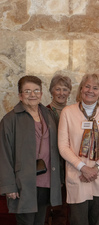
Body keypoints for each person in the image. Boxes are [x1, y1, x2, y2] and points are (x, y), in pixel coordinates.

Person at [58, 73, 99, 225]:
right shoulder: (68, 112)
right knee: (78, 220)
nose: (90, 90)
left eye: (95, 88)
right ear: (81, 89)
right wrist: (83, 168)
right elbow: (63, 147)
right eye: (87, 86)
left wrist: (96, 168)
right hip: (77, 175)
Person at [0, 75, 62, 224]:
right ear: (20, 95)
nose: (32, 95)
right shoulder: (10, 120)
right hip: (23, 184)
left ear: (41, 94)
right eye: (27, 91)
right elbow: (4, 154)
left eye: (36, 91)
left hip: (46, 183)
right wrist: (9, 186)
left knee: (40, 221)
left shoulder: (49, 115)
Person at [45, 72, 72, 225]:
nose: (61, 93)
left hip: (69, 166)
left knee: (64, 209)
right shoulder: (44, 112)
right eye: (58, 89)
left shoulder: (74, 112)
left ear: (69, 92)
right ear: (51, 91)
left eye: (65, 89)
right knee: (48, 208)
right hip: (51, 166)